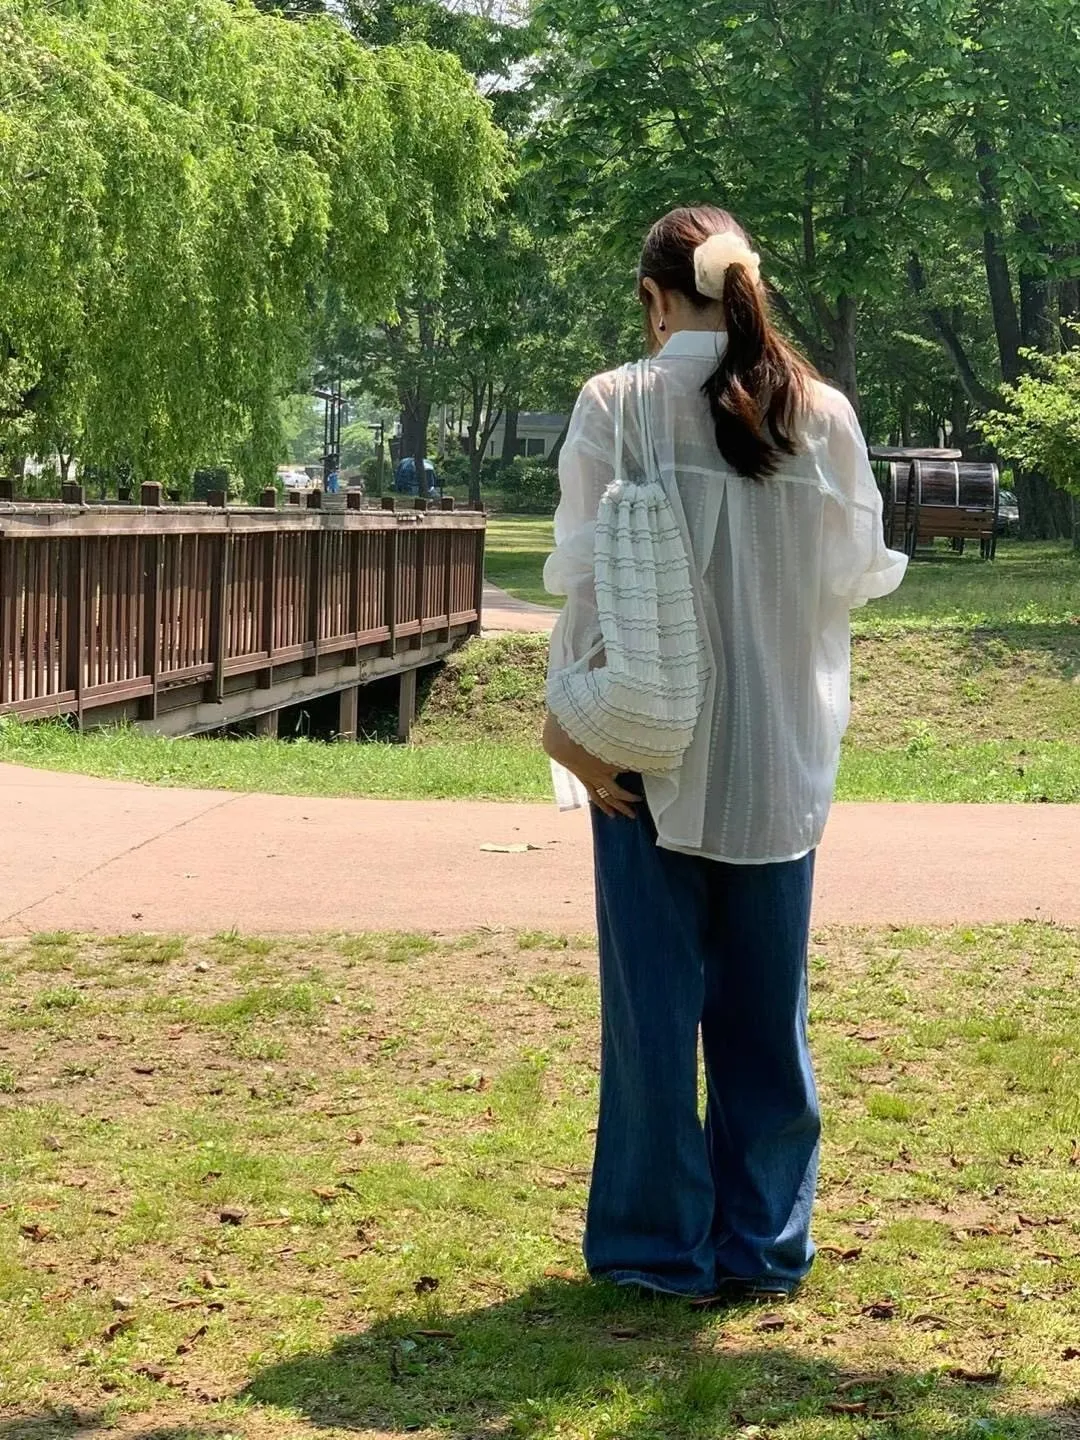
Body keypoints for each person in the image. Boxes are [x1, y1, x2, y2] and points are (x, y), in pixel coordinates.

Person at [542, 206, 907, 1303]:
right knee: (768, 1017)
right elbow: (852, 575)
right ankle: (764, 1244)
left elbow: (584, 581)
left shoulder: (615, 403)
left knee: (652, 1020)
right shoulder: (820, 414)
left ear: (655, 298)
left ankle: (659, 1250)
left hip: (645, 752)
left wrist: (564, 726)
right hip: (777, 756)